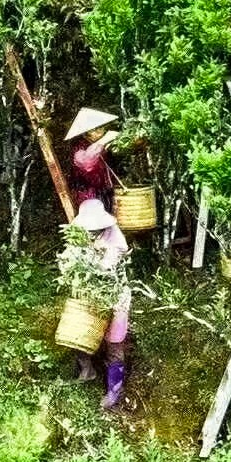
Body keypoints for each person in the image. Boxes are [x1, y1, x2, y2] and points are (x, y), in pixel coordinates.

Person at [74, 197, 132, 408]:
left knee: (114, 343)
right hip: (90, 296)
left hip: (114, 297)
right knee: (78, 334)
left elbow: (107, 267)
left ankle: (113, 391)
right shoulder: (80, 238)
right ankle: (87, 370)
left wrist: (92, 261)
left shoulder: (116, 240)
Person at [65, 107, 118, 209]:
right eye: (94, 130)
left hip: (104, 193)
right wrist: (104, 140)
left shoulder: (100, 146)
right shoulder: (79, 147)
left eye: (101, 128)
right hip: (88, 196)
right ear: (85, 132)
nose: (99, 132)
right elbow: (87, 162)